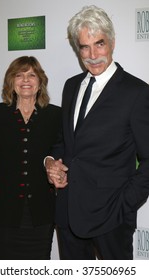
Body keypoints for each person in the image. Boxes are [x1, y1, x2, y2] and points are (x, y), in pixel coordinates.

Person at [45, 5, 149, 260]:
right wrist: (51, 163)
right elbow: (65, 143)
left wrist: (123, 206)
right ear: (77, 49)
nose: (92, 55)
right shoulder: (71, 86)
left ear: (112, 42)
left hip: (111, 220)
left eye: (99, 44)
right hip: (68, 215)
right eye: (84, 47)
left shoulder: (136, 92)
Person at [0, 56, 62, 259]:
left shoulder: (55, 115)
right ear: (11, 82)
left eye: (32, 75)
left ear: (40, 81)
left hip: (42, 214)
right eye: (19, 75)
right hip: (2, 214)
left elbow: (60, 156)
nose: (26, 80)